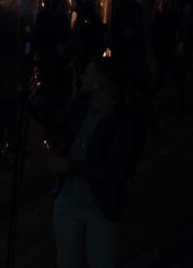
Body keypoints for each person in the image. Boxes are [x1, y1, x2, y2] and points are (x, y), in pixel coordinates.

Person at [48, 58, 145, 268]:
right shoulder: (80, 106)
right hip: (68, 200)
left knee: (100, 260)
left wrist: (69, 167)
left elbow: (115, 169)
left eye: (88, 74)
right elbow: (59, 127)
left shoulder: (124, 121)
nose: (82, 77)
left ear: (99, 83)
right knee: (66, 260)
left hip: (101, 206)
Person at [0, 0, 23, 169]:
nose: (12, 4)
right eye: (9, 0)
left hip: (10, 73)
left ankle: (12, 144)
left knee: (11, 112)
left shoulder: (13, 18)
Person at [32, 0, 71, 147]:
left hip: (58, 65)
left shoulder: (60, 18)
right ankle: (49, 131)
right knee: (50, 99)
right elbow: (39, 39)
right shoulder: (44, 18)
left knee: (59, 98)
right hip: (48, 64)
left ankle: (56, 129)